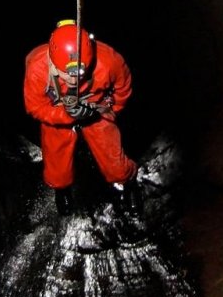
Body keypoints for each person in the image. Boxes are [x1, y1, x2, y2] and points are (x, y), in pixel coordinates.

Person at [23, 19, 140, 216]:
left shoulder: (108, 62)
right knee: (55, 156)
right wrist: (65, 115)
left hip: (94, 108)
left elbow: (123, 86)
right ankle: (61, 189)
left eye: (80, 74)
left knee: (113, 157)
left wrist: (111, 111)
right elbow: (34, 106)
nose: (74, 80)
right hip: (58, 111)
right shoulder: (37, 68)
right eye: (66, 75)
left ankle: (124, 184)